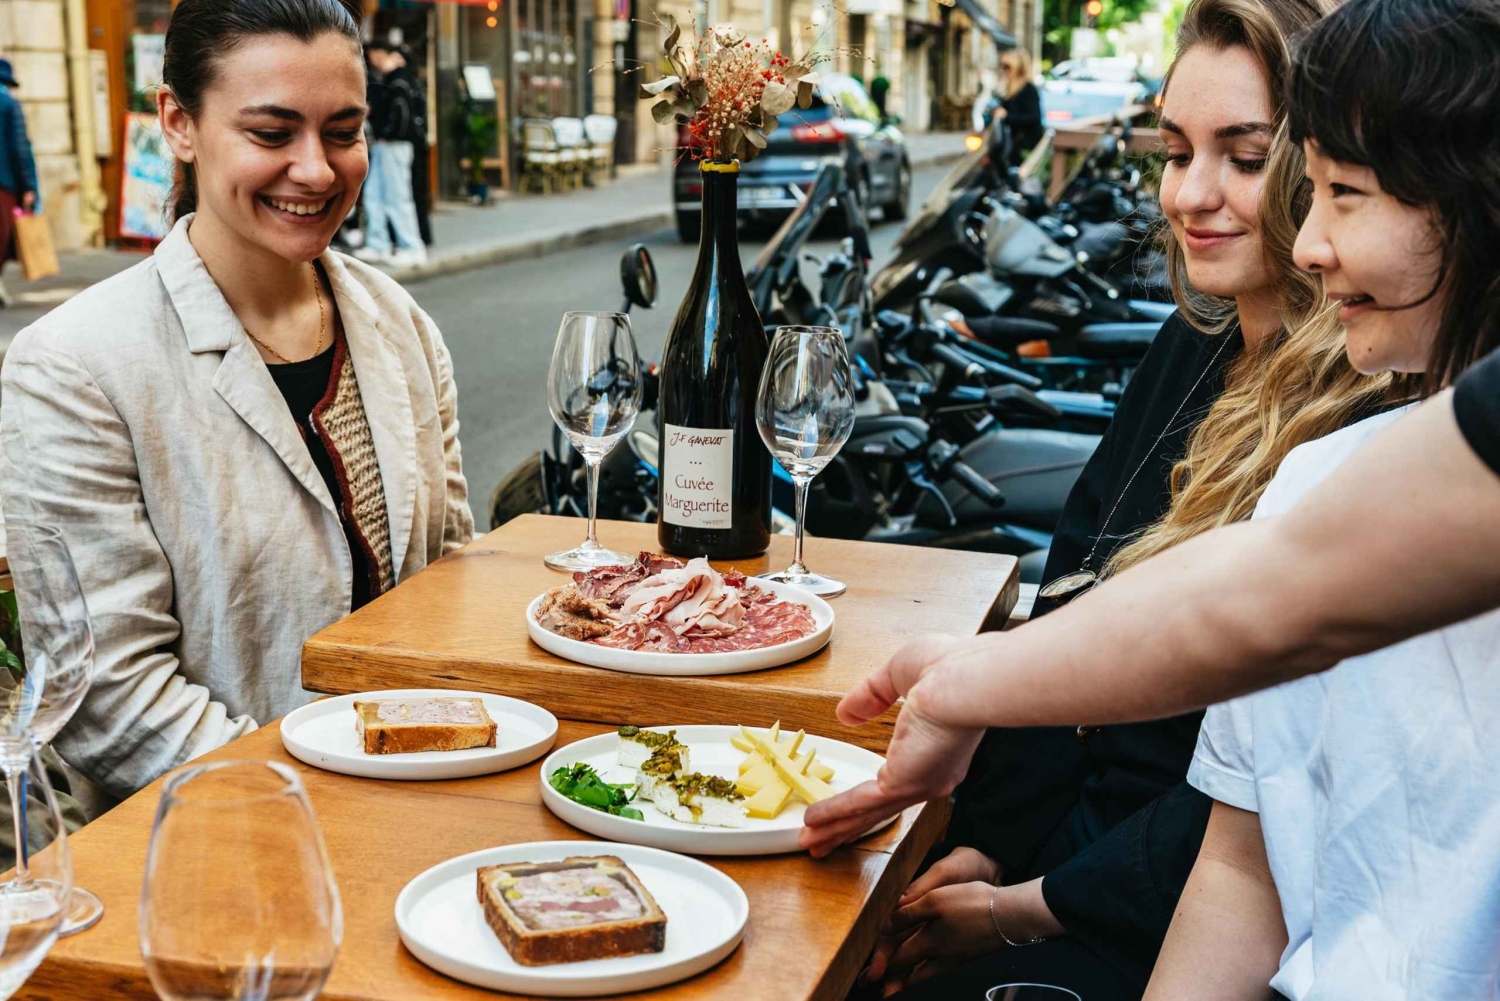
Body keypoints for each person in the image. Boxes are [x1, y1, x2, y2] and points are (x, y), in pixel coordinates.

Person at [853, 2, 1394, 997]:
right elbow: (1069, 598)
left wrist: (1029, 903)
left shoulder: (1370, 413)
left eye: (1243, 154)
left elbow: (1253, 801)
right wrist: (990, 849)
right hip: (1077, 864)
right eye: (1175, 149)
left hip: (1175, 911)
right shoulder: (1192, 344)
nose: (1191, 192)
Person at [0, 0, 473, 805]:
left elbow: (451, 576)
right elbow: (114, 698)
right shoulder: (75, 364)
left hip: (430, 791)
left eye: (343, 130)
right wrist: (318, 805)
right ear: (178, 123)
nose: (317, 170)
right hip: (223, 847)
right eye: (271, 133)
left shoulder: (400, 323)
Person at [356, 41, 426, 266]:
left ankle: (411, 247)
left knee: (397, 197)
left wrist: (388, 132)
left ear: (380, 53)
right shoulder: (395, 79)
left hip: (394, 144)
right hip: (387, 144)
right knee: (375, 194)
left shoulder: (397, 80)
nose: (371, 59)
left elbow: (401, 114)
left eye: (372, 54)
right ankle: (379, 244)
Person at [0, 58, 38, 308]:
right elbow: (20, 149)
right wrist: (29, 187)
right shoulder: (9, 106)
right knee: (3, 239)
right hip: (4, 184)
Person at [996, 48, 1041, 165]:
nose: (1003, 70)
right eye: (1002, 66)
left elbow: (1033, 117)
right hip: (1010, 144)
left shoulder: (1028, 89)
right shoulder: (1007, 90)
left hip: (1024, 146)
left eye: (1007, 67)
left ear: (1019, 69)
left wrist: (1006, 116)